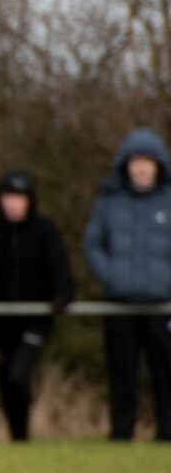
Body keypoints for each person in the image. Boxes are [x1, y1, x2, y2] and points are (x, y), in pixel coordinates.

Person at [0, 171, 75, 442]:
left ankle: (21, 436)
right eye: (8, 197)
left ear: (29, 200)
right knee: (6, 377)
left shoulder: (45, 230)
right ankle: (18, 437)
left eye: (19, 198)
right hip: (2, 320)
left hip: (36, 318)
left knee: (19, 374)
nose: (13, 204)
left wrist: (62, 295)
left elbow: (60, 267)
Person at [81, 128, 171, 441]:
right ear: (126, 165)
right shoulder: (109, 202)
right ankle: (121, 433)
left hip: (162, 305)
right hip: (119, 303)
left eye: (147, 160)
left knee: (165, 371)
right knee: (122, 372)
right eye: (135, 161)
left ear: (158, 165)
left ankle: (167, 432)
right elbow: (92, 244)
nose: (141, 167)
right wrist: (112, 277)